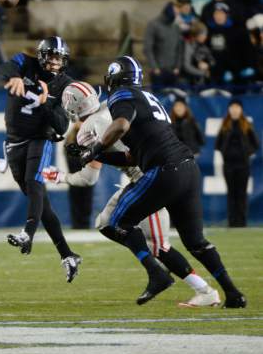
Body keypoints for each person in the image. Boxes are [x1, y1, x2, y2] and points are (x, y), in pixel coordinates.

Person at [74, 55, 246, 308]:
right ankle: (233, 294)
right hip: (187, 169)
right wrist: (99, 154)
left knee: (115, 222)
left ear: (113, 79)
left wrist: (95, 147)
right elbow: (132, 156)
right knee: (196, 243)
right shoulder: (148, 98)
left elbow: (120, 125)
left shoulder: (122, 95)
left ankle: (156, 274)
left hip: (163, 171)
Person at [44, 81, 220, 307]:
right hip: (151, 174)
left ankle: (196, 288)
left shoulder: (90, 128)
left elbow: (89, 178)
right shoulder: (111, 107)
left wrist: (61, 177)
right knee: (106, 222)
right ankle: (163, 274)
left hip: (148, 181)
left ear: (73, 108)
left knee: (158, 247)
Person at [0, 36, 82, 282]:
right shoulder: (26, 62)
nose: (55, 62)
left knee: (34, 182)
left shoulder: (67, 85)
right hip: (14, 140)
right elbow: (6, 66)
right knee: (40, 201)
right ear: (42, 55)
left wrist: (46, 103)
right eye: (51, 56)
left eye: (59, 58)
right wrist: (13, 76)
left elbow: (61, 126)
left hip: (40, 138)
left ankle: (28, 232)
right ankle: (67, 255)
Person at [215, 99, 259, 227]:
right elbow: (218, 144)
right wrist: (226, 152)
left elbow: (255, 144)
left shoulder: (246, 125)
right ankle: (232, 222)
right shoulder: (224, 125)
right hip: (228, 165)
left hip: (243, 165)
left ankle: (242, 222)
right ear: (229, 109)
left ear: (241, 109)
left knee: (241, 193)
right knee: (231, 193)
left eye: (237, 107)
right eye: (232, 107)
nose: (234, 110)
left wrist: (246, 153)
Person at [206, 3, 256, 86]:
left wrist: (250, 66)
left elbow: (247, 51)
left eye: (221, 13)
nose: (218, 16)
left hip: (237, 75)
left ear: (227, 15)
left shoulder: (238, 31)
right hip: (216, 74)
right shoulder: (208, 31)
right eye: (216, 13)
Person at [144, 2, 183, 89]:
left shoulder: (176, 28)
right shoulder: (153, 25)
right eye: (176, 12)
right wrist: (155, 68)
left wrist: (177, 67)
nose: (177, 14)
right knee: (159, 98)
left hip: (173, 71)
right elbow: (148, 48)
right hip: (158, 71)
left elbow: (179, 49)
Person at [183, 21, 215, 85]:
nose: (205, 36)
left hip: (203, 81)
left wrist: (208, 65)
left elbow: (212, 60)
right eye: (203, 34)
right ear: (196, 35)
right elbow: (186, 66)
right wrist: (203, 73)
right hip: (189, 81)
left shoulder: (204, 46)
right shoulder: (188, 46)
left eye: (206, 34)